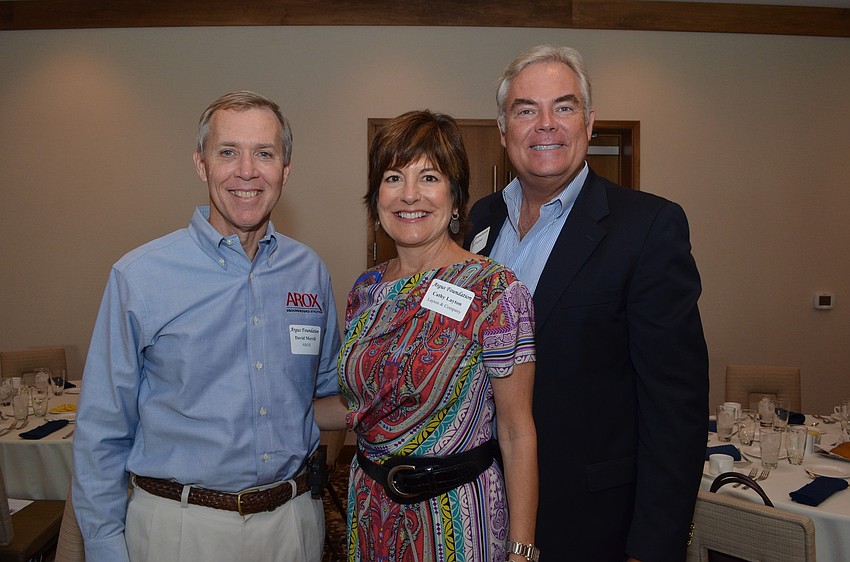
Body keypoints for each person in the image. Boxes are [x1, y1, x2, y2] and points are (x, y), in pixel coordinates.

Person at [72, 91, 341, 562]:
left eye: (265, 153)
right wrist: (103, 546)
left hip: (293, 524)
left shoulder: (310, 272)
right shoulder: (140, 277)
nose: (247, 171)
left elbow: (327, 393)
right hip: (180, 530)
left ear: (286, 168)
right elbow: (102, 430)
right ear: (201, 164)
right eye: (228, 152)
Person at [465, 46, 709, 561]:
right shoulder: (478, 222)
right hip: (477, 506)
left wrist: (652, 546)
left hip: (591, 523)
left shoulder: (647, 228)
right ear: (505, 127)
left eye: (565, 107)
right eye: (526, 109)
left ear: (590, 122)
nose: (545, 124)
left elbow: (675, 408)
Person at [333, 110, 539, 561]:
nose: (409, 195)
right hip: (369, 511)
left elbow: (517, 430)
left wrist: (522, 551)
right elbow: (356, 403)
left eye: (429, 176)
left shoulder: (497, 292)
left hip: (457, 517)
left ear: (456, 196)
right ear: (376, 197)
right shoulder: (364, 291)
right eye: (393, 177)